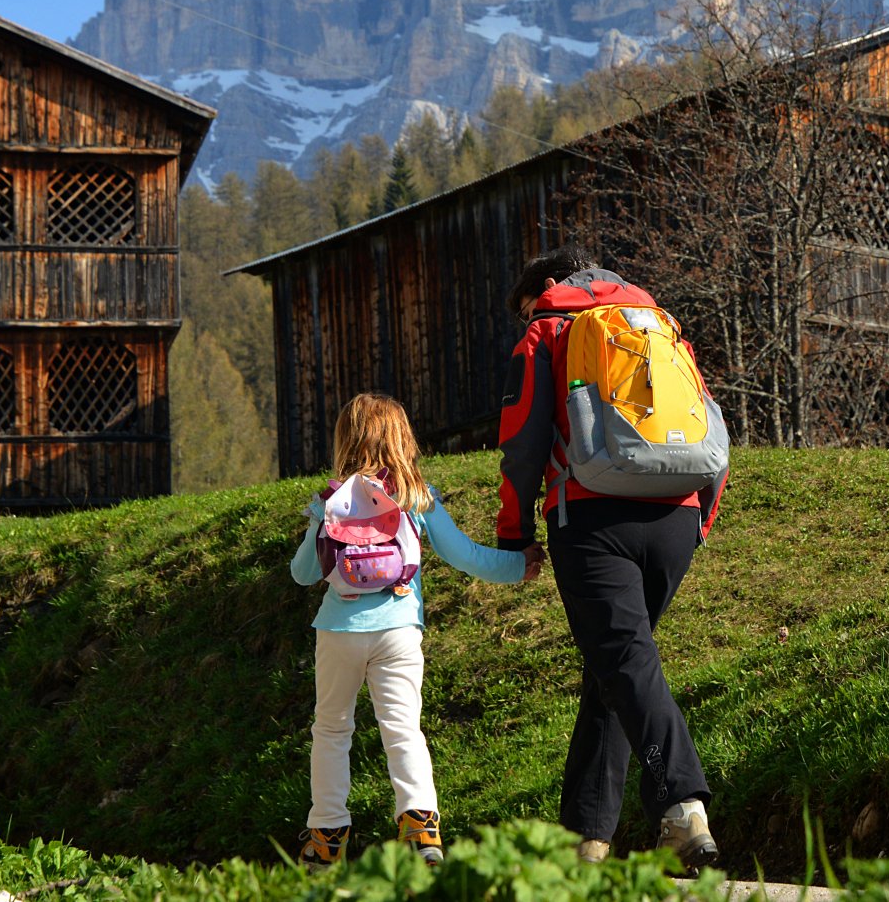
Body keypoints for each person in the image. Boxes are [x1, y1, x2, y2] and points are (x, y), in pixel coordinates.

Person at [495, 245, 727, 870]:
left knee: (625, 663)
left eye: (526, 307)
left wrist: (514, 533)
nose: (527, 318)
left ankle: (682, 807)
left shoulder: (549, 329)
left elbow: (522, 441)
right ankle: (585, 842)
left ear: (550, 283)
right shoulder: (658, 325)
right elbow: (709, 425)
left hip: (592, 517)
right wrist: (699, 520)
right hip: (676, 516)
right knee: (616, 670)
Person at [291, 392, 544, 871]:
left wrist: (317, 522)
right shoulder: (415, 497)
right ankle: (421, 830)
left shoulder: (332, 501)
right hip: (400, 629)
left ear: (345, 439)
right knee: (403, 729)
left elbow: (303, 574)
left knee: (332, 729)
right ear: (402, 438)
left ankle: (326, 837)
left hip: (339, 631)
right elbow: (464, 555)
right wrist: (519, 566)